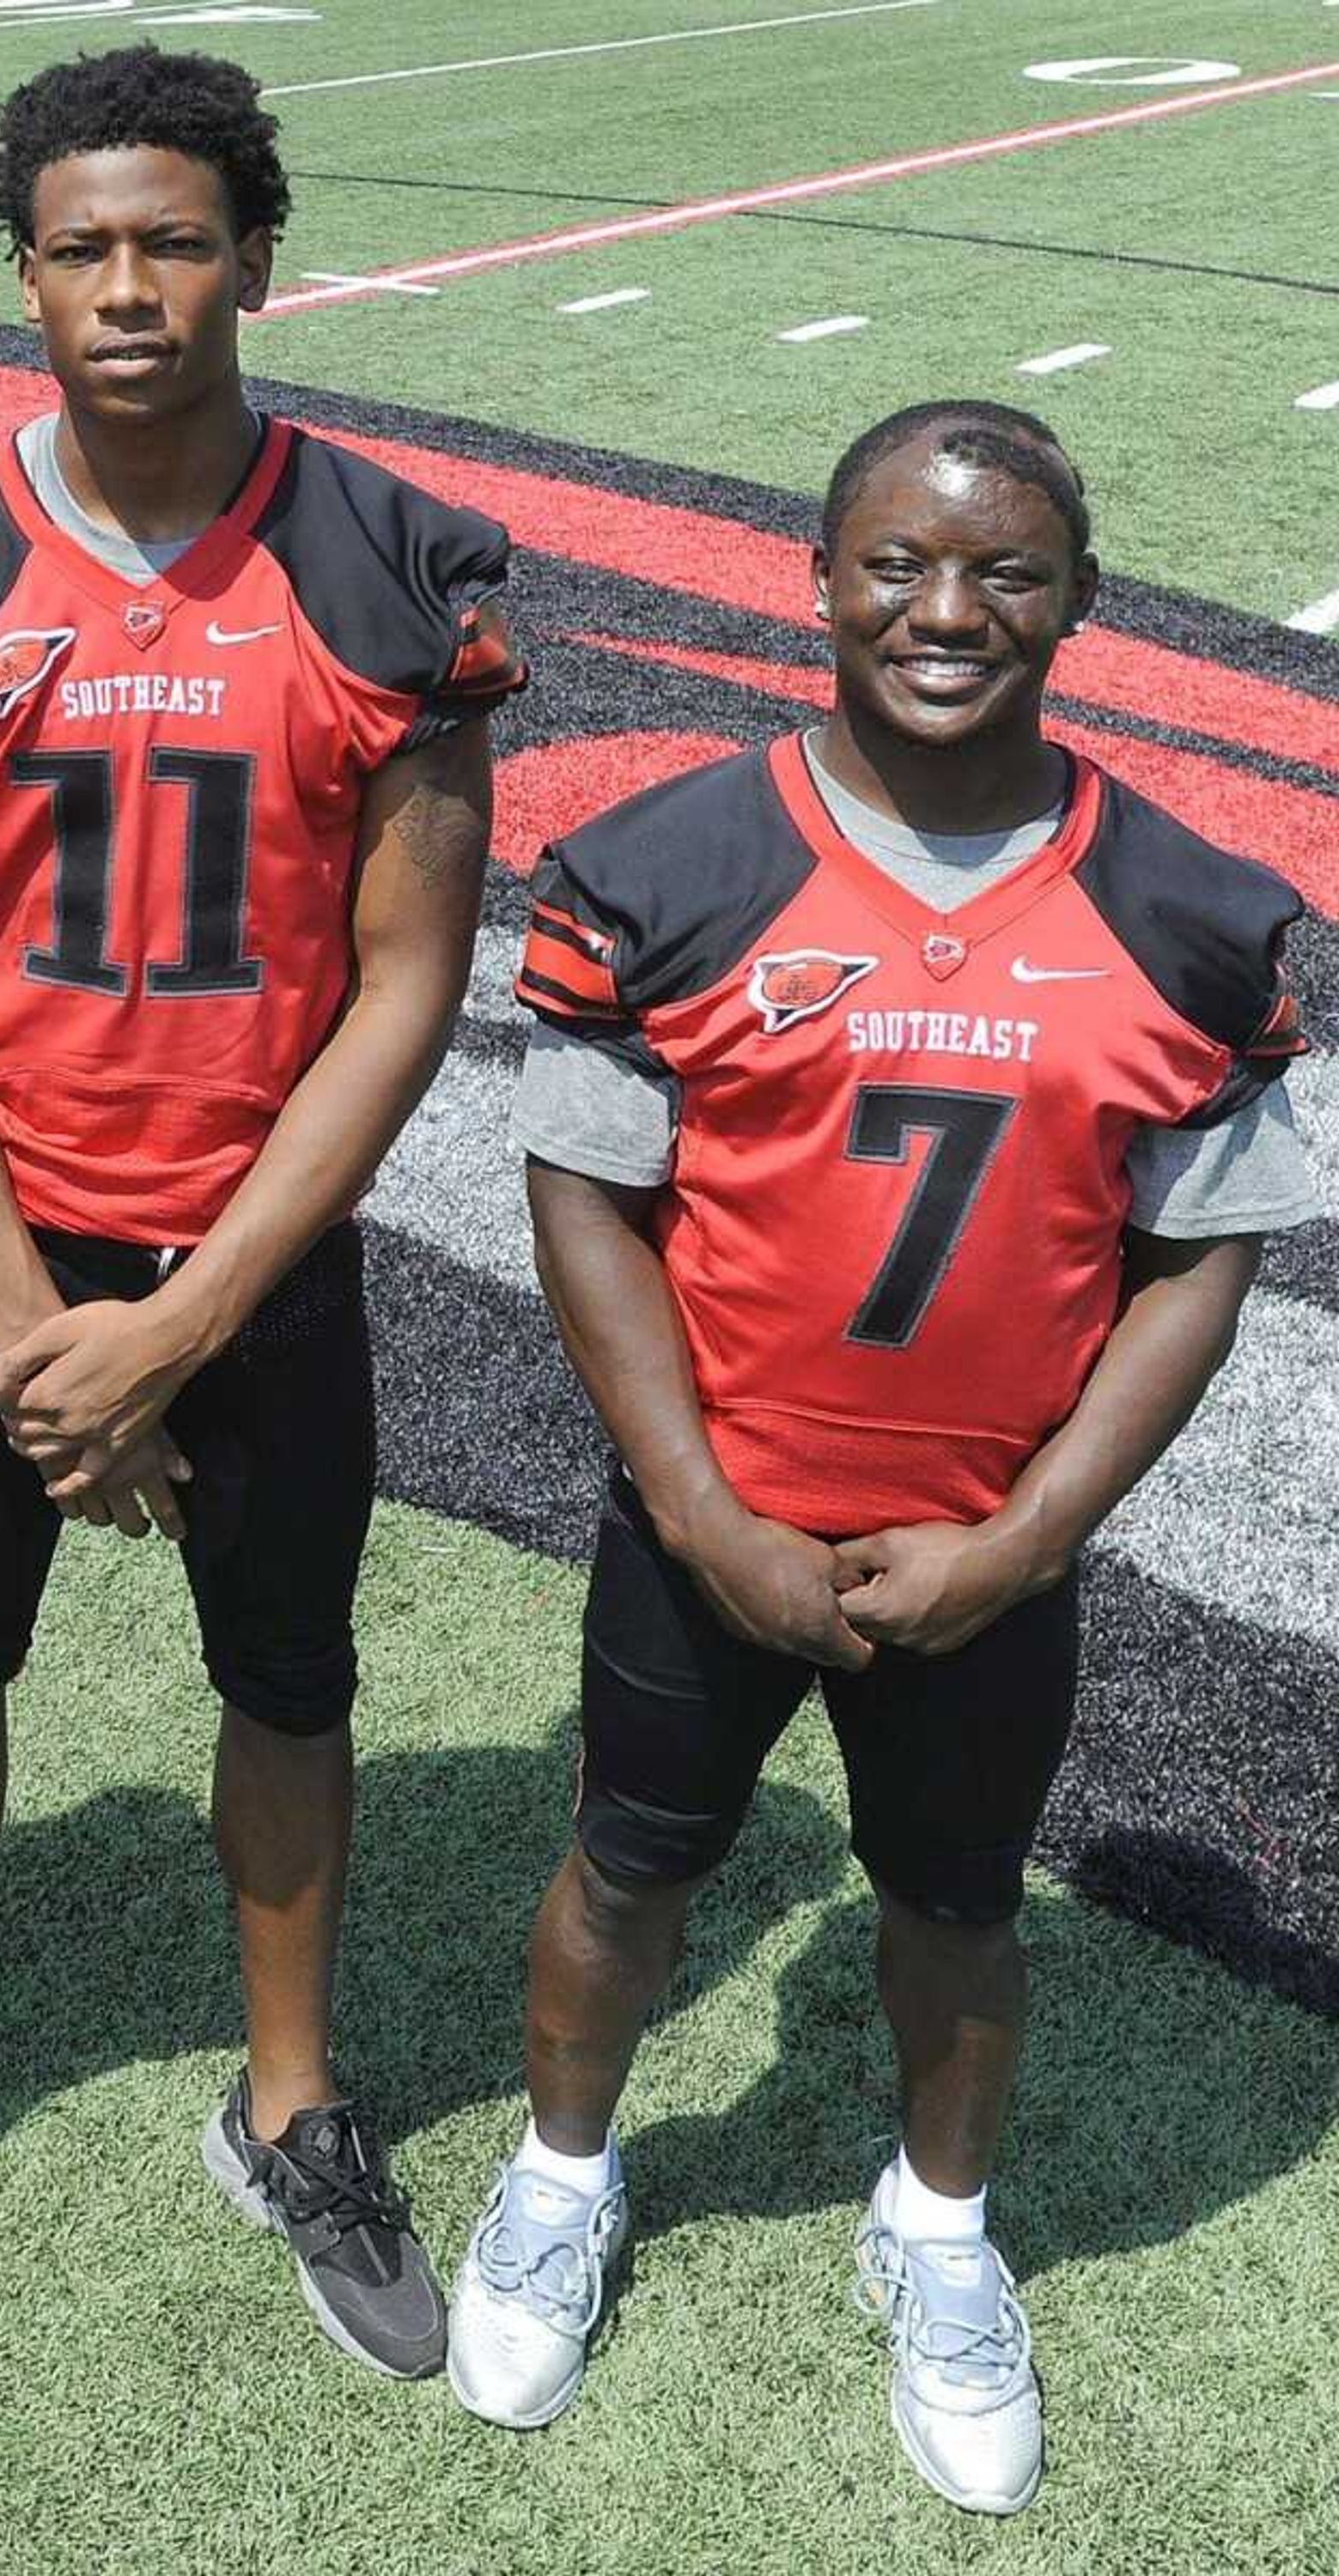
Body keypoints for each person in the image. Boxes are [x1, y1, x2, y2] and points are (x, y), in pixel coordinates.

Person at [0, 46, 521, 2381]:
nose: (134, 286)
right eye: (87, 247)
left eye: (178, 241)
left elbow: (405, 984)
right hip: (6, 1245)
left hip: (257, 1257)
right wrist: (47, 1327)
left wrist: (180, 1332)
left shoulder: (387, 557)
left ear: (260, 258)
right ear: (27, 271)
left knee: (290, 1681)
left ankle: (293, 2100)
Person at [456, 402, 1317, 2513]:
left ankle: (936, 2228)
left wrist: (1024, 1542)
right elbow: (590, 1205)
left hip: (984, 1548)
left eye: (1008, 571)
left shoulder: (1204, 918)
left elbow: (1198, 1264)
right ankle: (562, 2171)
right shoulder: (667, 870)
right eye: (899, 566)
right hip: (715, 1516)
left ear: (1082, 601)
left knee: (955, 1898)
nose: (948, 610)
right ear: (821, 577)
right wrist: (698, 1508)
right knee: (631, 1865)